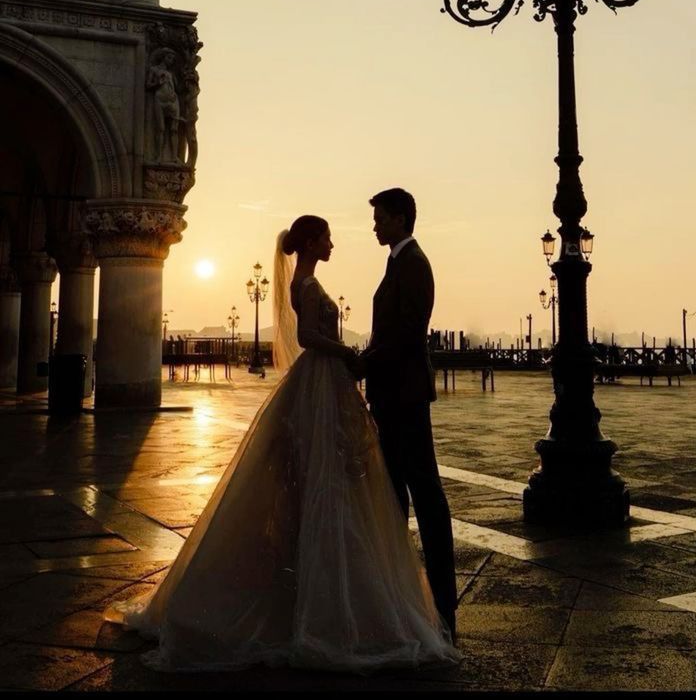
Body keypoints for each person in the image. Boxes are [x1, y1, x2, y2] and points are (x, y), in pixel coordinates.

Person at [104, 214, 459, 674]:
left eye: (375, 220)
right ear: (312, 241)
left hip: (333, 384)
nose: (337, 240)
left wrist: (357, 359)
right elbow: (310, 337)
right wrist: (350, 354)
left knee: (339, 483)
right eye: (328, 236)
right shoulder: (310, 284)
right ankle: (354, 590)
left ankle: (365, 584)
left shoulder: (324, 277)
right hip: (327, 380)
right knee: (336, 483)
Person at [353, 188, 458, 642]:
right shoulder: (400, 261)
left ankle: (442, 606)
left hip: (404, 396)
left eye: (379, 218)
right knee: (396, 496)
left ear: (399, 219)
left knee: (425, 497)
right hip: (394, 395)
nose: (374, 225)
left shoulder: (413, 264)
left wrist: (362, 362)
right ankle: (403, 602)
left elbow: (405, 336)